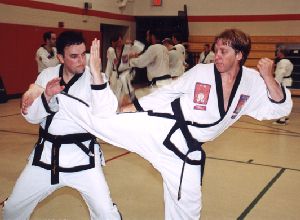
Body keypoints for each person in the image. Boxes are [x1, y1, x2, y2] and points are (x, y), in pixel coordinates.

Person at [20, 29, 293, 219]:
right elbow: (167, 94)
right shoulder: (201, 71)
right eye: (217, 49)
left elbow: (279, 106)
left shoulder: (252, 81)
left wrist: (269, 77)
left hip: (185, 153)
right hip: (161, 127)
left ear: (240, 55)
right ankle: (55, 96)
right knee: (105, 121)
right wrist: (131, 107)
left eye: (223, 51)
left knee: (188, 205)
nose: (216, 55)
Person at [3, 31, 122, 220]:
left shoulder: (94, 76)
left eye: (83, 54)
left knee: (107, 214)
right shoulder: (47, 76)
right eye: (74, 56)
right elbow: (31, 117)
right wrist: (46, 96)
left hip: (83, 159)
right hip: (47, 158)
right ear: (60, 57)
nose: (81, 61)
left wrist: (98, 75)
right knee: (12, 210)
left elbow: (107, 114)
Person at [130, 30, 170, 98]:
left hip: (158, 85)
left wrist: (130, 60)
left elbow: (141, 62)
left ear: (153, 36)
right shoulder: (164, 48)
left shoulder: (153, 48)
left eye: (148, 35)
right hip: (166, 82)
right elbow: (146, 58)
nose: (146, 38)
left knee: (134, 97)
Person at [105, 33, 136, 108]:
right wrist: (106, 78)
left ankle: (118, 109)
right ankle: (113, 108)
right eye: (117, 42)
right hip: (114, 75)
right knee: (112, 93)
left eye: (120, 41)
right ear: (113, 42)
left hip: (124, 74)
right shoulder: (111, 50)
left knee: (121, 94)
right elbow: (109, 65)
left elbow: (139, 50)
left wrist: (132, 44)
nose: (119, 43)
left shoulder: (127, 48)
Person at [272, 47, 294, 125]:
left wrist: (275, 83)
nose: (277, 53)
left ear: (281, 53)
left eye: (278, 51)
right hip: (286, 82)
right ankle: (285, 116)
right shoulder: (286, 61)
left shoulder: (283, 62)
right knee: (285, 100)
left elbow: (281, 73)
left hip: (283, 82)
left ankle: (282, 120)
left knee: (282, 100)